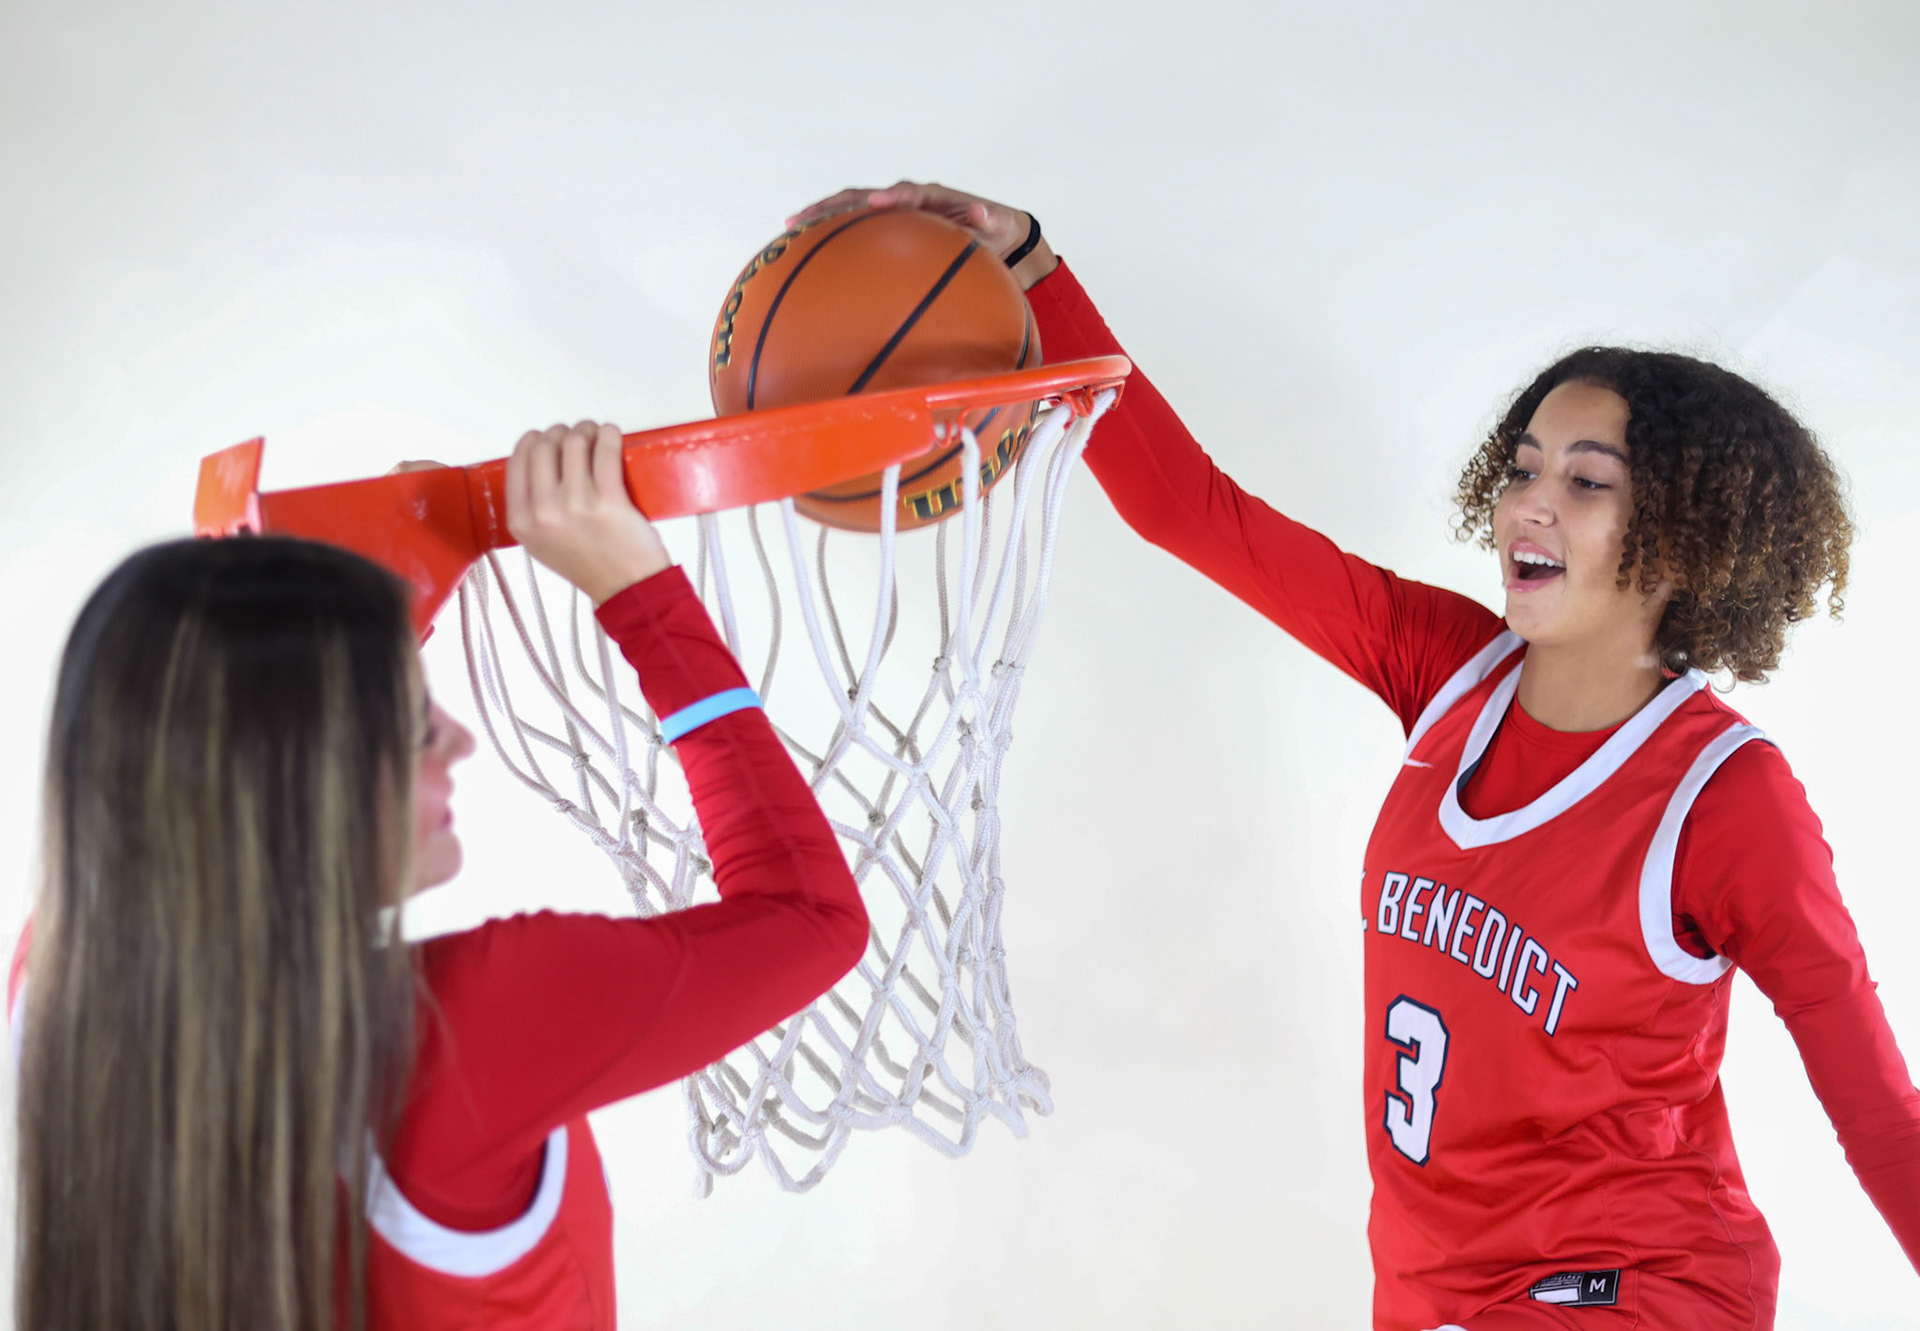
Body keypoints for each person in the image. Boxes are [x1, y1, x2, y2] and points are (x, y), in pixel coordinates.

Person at [787, 183, 1920, 1329]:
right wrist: (1033, 265)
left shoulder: (1724, 797)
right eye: (1523, 468)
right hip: (1435, 1287)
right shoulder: (1449, 669)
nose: (1530, 505)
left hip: (1637, 1289)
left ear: (1687, 540)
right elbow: (1191, 511)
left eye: (1586, 482)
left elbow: (1874, 1100)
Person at [11, 421, 868, 1331]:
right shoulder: (462, 1033)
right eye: (419, 726)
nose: (459, 741)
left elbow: (219, 736)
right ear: (313, 790)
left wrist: (367, 590)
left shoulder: (56, 984)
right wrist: (640, 594)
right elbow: (810, 912)